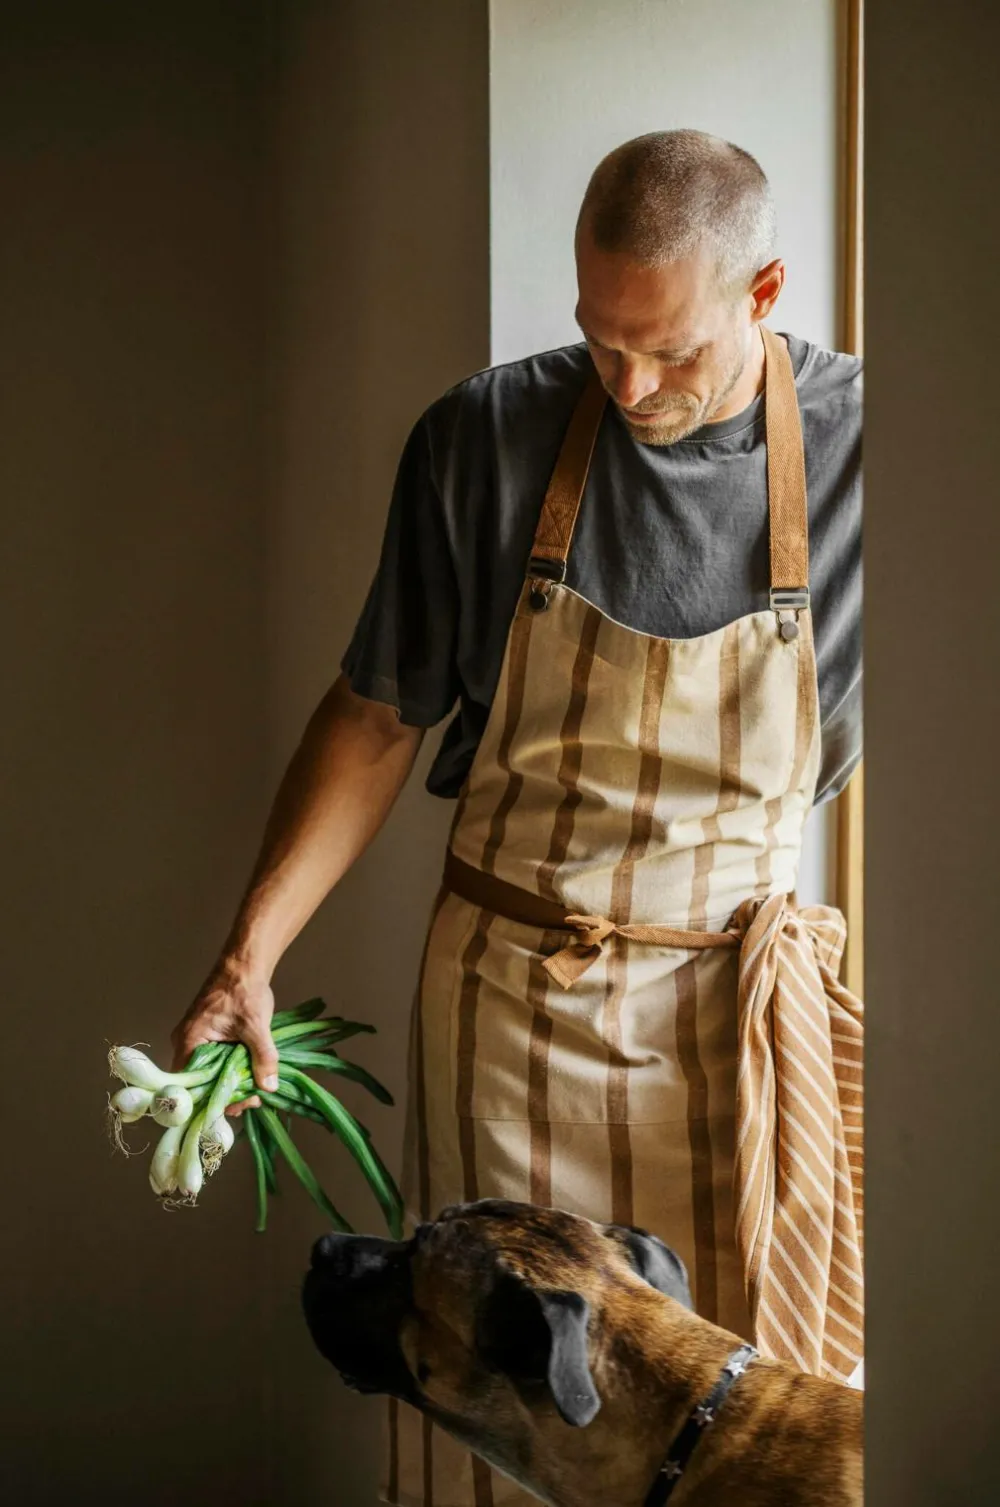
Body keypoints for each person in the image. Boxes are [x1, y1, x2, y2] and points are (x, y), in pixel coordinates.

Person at [172, 130, 864, 1507]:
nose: (630, 385)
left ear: (766, 289)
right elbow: (377, 717)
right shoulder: (482, 438)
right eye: (602, 340)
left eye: (668, 350)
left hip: (734, 1035)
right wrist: (249, 957)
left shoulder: (873, 449)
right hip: (512, 1021)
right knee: (489, 1416)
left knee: (730, 1441)